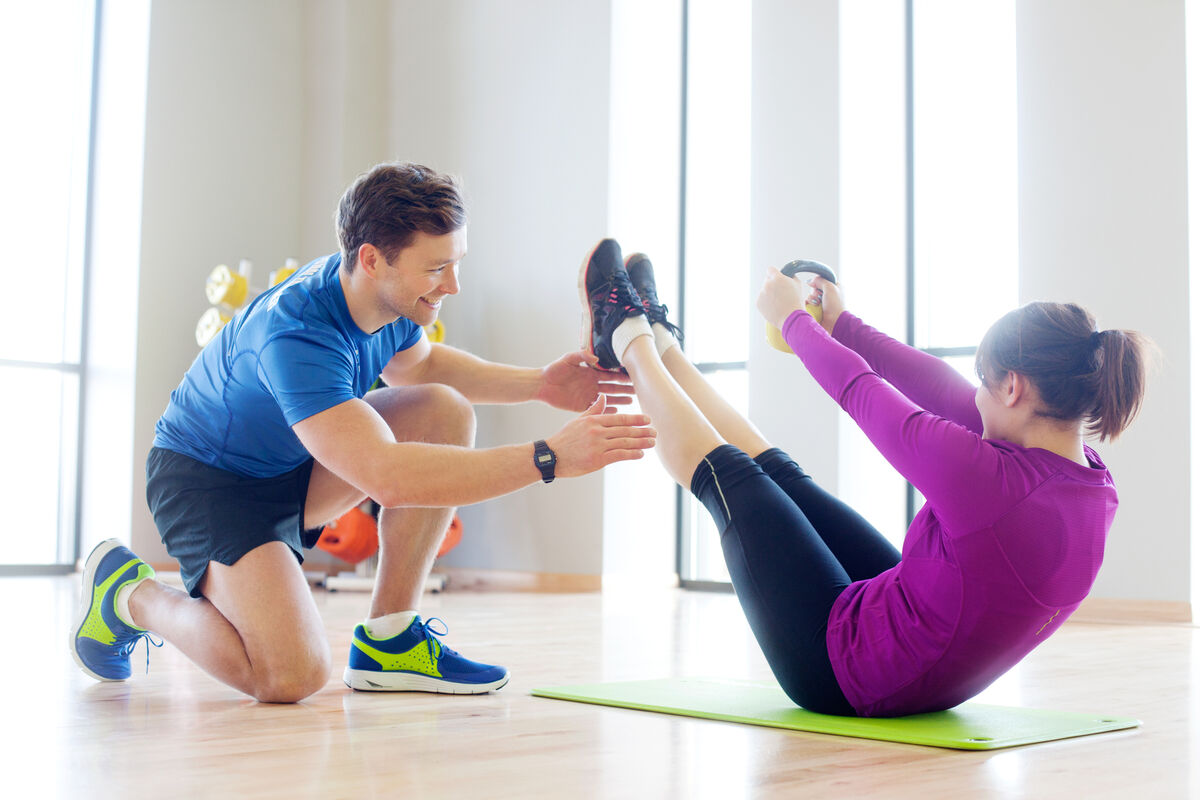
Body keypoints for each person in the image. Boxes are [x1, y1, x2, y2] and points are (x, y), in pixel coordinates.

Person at [70, 164, 656, 703]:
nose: (452, 284)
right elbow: (388, 478)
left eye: (457, 262)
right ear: (374, 258)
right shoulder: (295, 333)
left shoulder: (386, 299)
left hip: (293, 464)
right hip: (209, 483)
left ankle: (390, 639)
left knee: (444, 411)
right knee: (290, 675)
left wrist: (542, 385)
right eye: (435, 268)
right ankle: (129, 592)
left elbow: (421, 367)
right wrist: (549, 457)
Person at [579, 238, 1149, 717]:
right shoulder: (1091, 484)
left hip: (841, 674)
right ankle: (665, 343)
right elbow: (934, 387)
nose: (973, 394)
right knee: (782, 477)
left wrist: (794, 320)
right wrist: (842, 324)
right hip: (925, 644)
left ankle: (627, 336)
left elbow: (860, 392)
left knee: (730, 474)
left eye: (983, 379)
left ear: (1014, 387)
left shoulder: (992, 484)